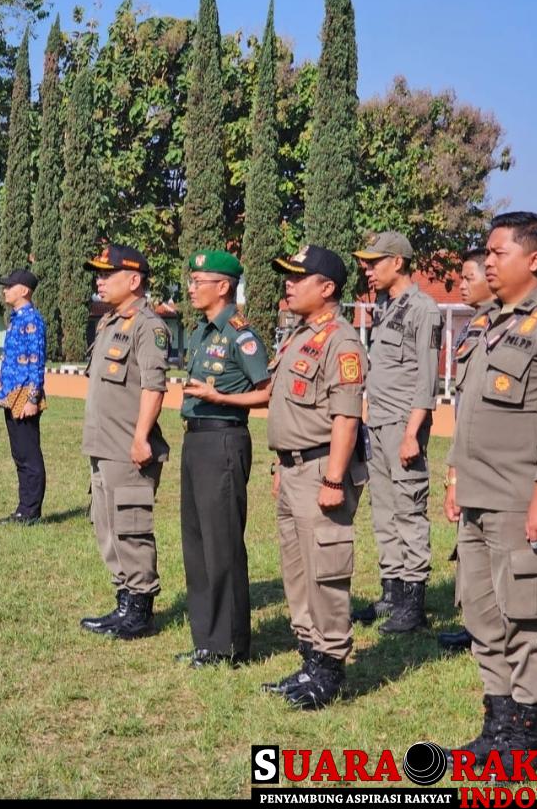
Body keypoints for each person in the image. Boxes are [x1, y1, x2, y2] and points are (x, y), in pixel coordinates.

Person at [442, 212, 537, 771]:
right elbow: (470, 412)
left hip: (521, 498)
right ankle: (497, 726)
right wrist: (455, 476)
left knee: (524, 620)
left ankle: (526, 741)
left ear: (535, 259)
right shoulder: (488, 322)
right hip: (477, 495)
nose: (488, 262)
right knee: (482, 616)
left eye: (499, 252)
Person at [261, 244, 369, 709]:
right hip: (294, 468)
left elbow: (346, 418)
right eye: (287, 276)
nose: (288, 285)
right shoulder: (300, 336)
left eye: (297, 277)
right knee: (298, 569)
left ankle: (329, 667)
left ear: (327, 288)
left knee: (325, 571)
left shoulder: (341, 342)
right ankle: (310, 657)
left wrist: (333, 480)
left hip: (322, 469)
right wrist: (281, 465)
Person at [175, 249, 271, 668]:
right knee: (197, 544)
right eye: (192, 281)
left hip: (224, 439)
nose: (192, 288)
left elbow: (267, 391)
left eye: (199, 282)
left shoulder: (239, 334)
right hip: (196, 440)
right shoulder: (201, 332)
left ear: (224, 287)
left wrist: (221, 398)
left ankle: (230, 645)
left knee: (222, 544)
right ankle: (206, 640)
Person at [351, 231, 442, 634]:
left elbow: (428, 378)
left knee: (409, 509)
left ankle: (414, 603)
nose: (368, 270)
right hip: (379, 422)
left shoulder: (424, 309)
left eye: (375, 263)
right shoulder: (385, 306)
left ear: (398, 262)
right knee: (384, 510)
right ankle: (392, 591)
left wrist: (412, 433)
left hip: (404, 424)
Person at [79, 244, 171, 639]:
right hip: (103, 445)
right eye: (98, 274)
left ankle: (141, 610)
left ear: (134, 280)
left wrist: (140, 438)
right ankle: (124, 602)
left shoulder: (149, 327)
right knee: (107, 528)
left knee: (131, 528)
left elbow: (154, 386)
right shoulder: (110, 322)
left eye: (107, 274)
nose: (99, 280)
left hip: (128, 448)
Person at [439, 247, 496, 653]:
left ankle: (487, 624)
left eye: (468, 277)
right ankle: (473, 620)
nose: (461, 284)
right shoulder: (475, 323)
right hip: (467, 444)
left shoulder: (501, 324)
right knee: (468, 541)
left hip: (491, 453)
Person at [0, 268, 47, 525]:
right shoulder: (16, 319)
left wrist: (32, 399)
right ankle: (24, 508)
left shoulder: (32, 321)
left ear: (24, 290)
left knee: (29, 456)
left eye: (10, 286)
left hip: (24, 395)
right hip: (12, 394)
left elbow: (37, 364)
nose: (5, 290)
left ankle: (30, 512)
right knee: (20, 454)